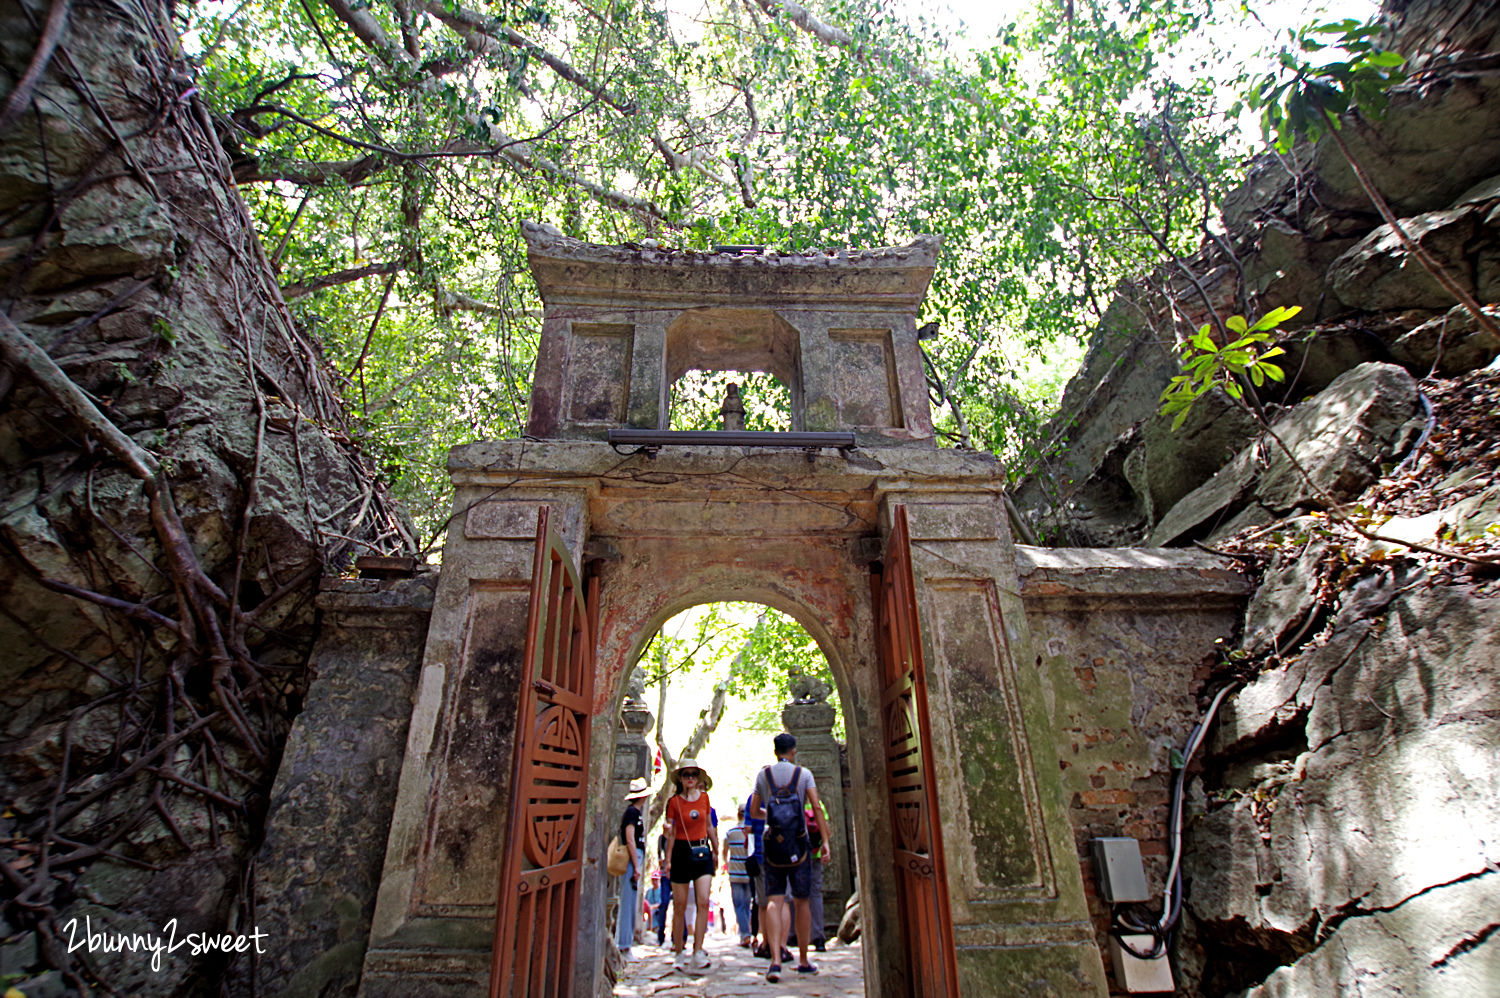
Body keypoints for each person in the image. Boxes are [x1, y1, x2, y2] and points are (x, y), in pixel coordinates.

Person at [749, 732, 823, 982]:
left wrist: (770, 817)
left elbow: (753, 810)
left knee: (774, 900)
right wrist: (826, 840)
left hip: (772, 845)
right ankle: (802, 960)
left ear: (775, 752)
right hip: (799, 845)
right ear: (793, 751)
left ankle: (775, 961)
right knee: (802, 900)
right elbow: (815, 807)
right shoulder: (804, 775)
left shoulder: (763, 775)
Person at [663, 759, 717, 972]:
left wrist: (715, 849)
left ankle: (698, 950)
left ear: (699, 778)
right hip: (681, 852)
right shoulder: (674, 802)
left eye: (694, 774)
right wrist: (667, 860)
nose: (691, 778)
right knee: (680, 905)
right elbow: (671, 833)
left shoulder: (704, 799)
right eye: (687, 775)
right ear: (681, 779)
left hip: (702, 851)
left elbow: (709, 825)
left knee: (703, 901)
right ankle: (678, 951)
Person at [615, 777, 651, 960]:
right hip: (632, 857)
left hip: (636, 856)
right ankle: (624, 944)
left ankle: (625, 943)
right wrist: (636, 866)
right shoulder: (631, 813)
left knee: (631, 900)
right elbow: (630, 838)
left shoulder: (635, 813)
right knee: (628, 901)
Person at [721, 804, 753, 946]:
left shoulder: (731, 833)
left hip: (735, 873)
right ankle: (747, 932)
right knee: (746, 904)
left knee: (738, 905)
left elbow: (724, 852)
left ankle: (745, 933)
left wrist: (727, 863)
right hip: (749, 872)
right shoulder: (751, 832)